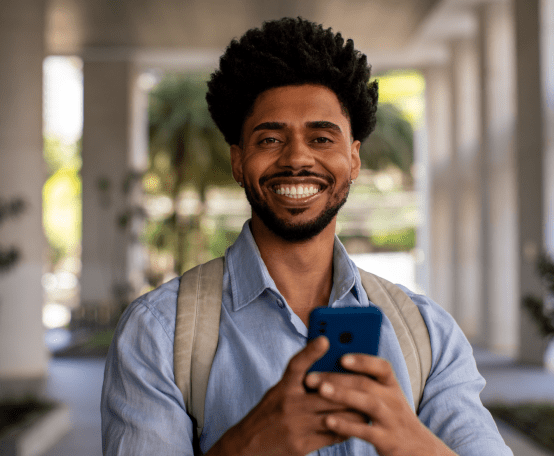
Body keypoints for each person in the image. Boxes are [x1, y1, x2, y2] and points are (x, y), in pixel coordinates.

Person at [101, 17, 513, 456]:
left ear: (353, 159)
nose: (297, 158)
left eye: (321, 137)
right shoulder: (158, 334)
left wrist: (410, 441)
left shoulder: (428, 335)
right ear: (238, 162)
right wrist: (250, 444)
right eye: (270, 138)